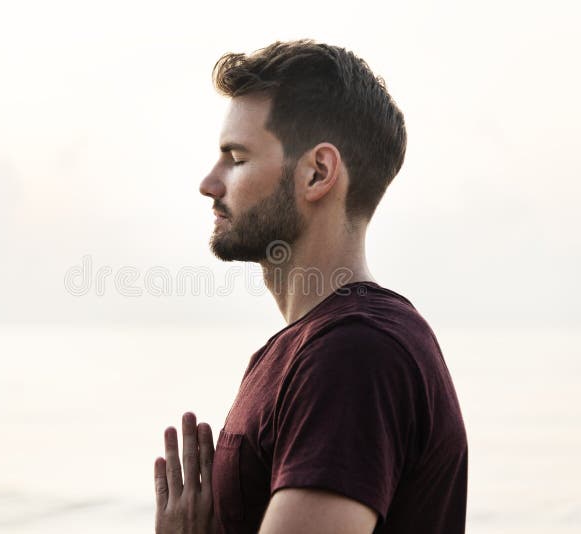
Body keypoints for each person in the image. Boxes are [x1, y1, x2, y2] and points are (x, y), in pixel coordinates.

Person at [153, 39, 468, 534]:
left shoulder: (353, 353)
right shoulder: (311, 348)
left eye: (236, 158)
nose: (209, 183)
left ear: (317, 173)